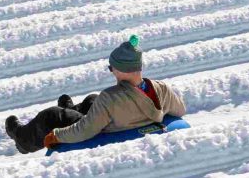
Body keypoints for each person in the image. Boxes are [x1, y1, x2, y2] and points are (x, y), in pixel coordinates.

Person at [38, 36, 187, 152]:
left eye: (111, 68)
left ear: (121, 70)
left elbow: (85, 130)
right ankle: (69, 108)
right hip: (111, 117)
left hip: (91, 127)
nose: (111, 71)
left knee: (53, 115)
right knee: (92, 99)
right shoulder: (162, 89)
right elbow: (180, 109)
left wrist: (56, 135)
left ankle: (21, 139)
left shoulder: (110, 98)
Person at [5, 93, 98, 154]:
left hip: (96, 127)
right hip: (103, 118)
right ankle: (70, 112)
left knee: (51, 115)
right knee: (93, 99)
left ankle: (24, 139)